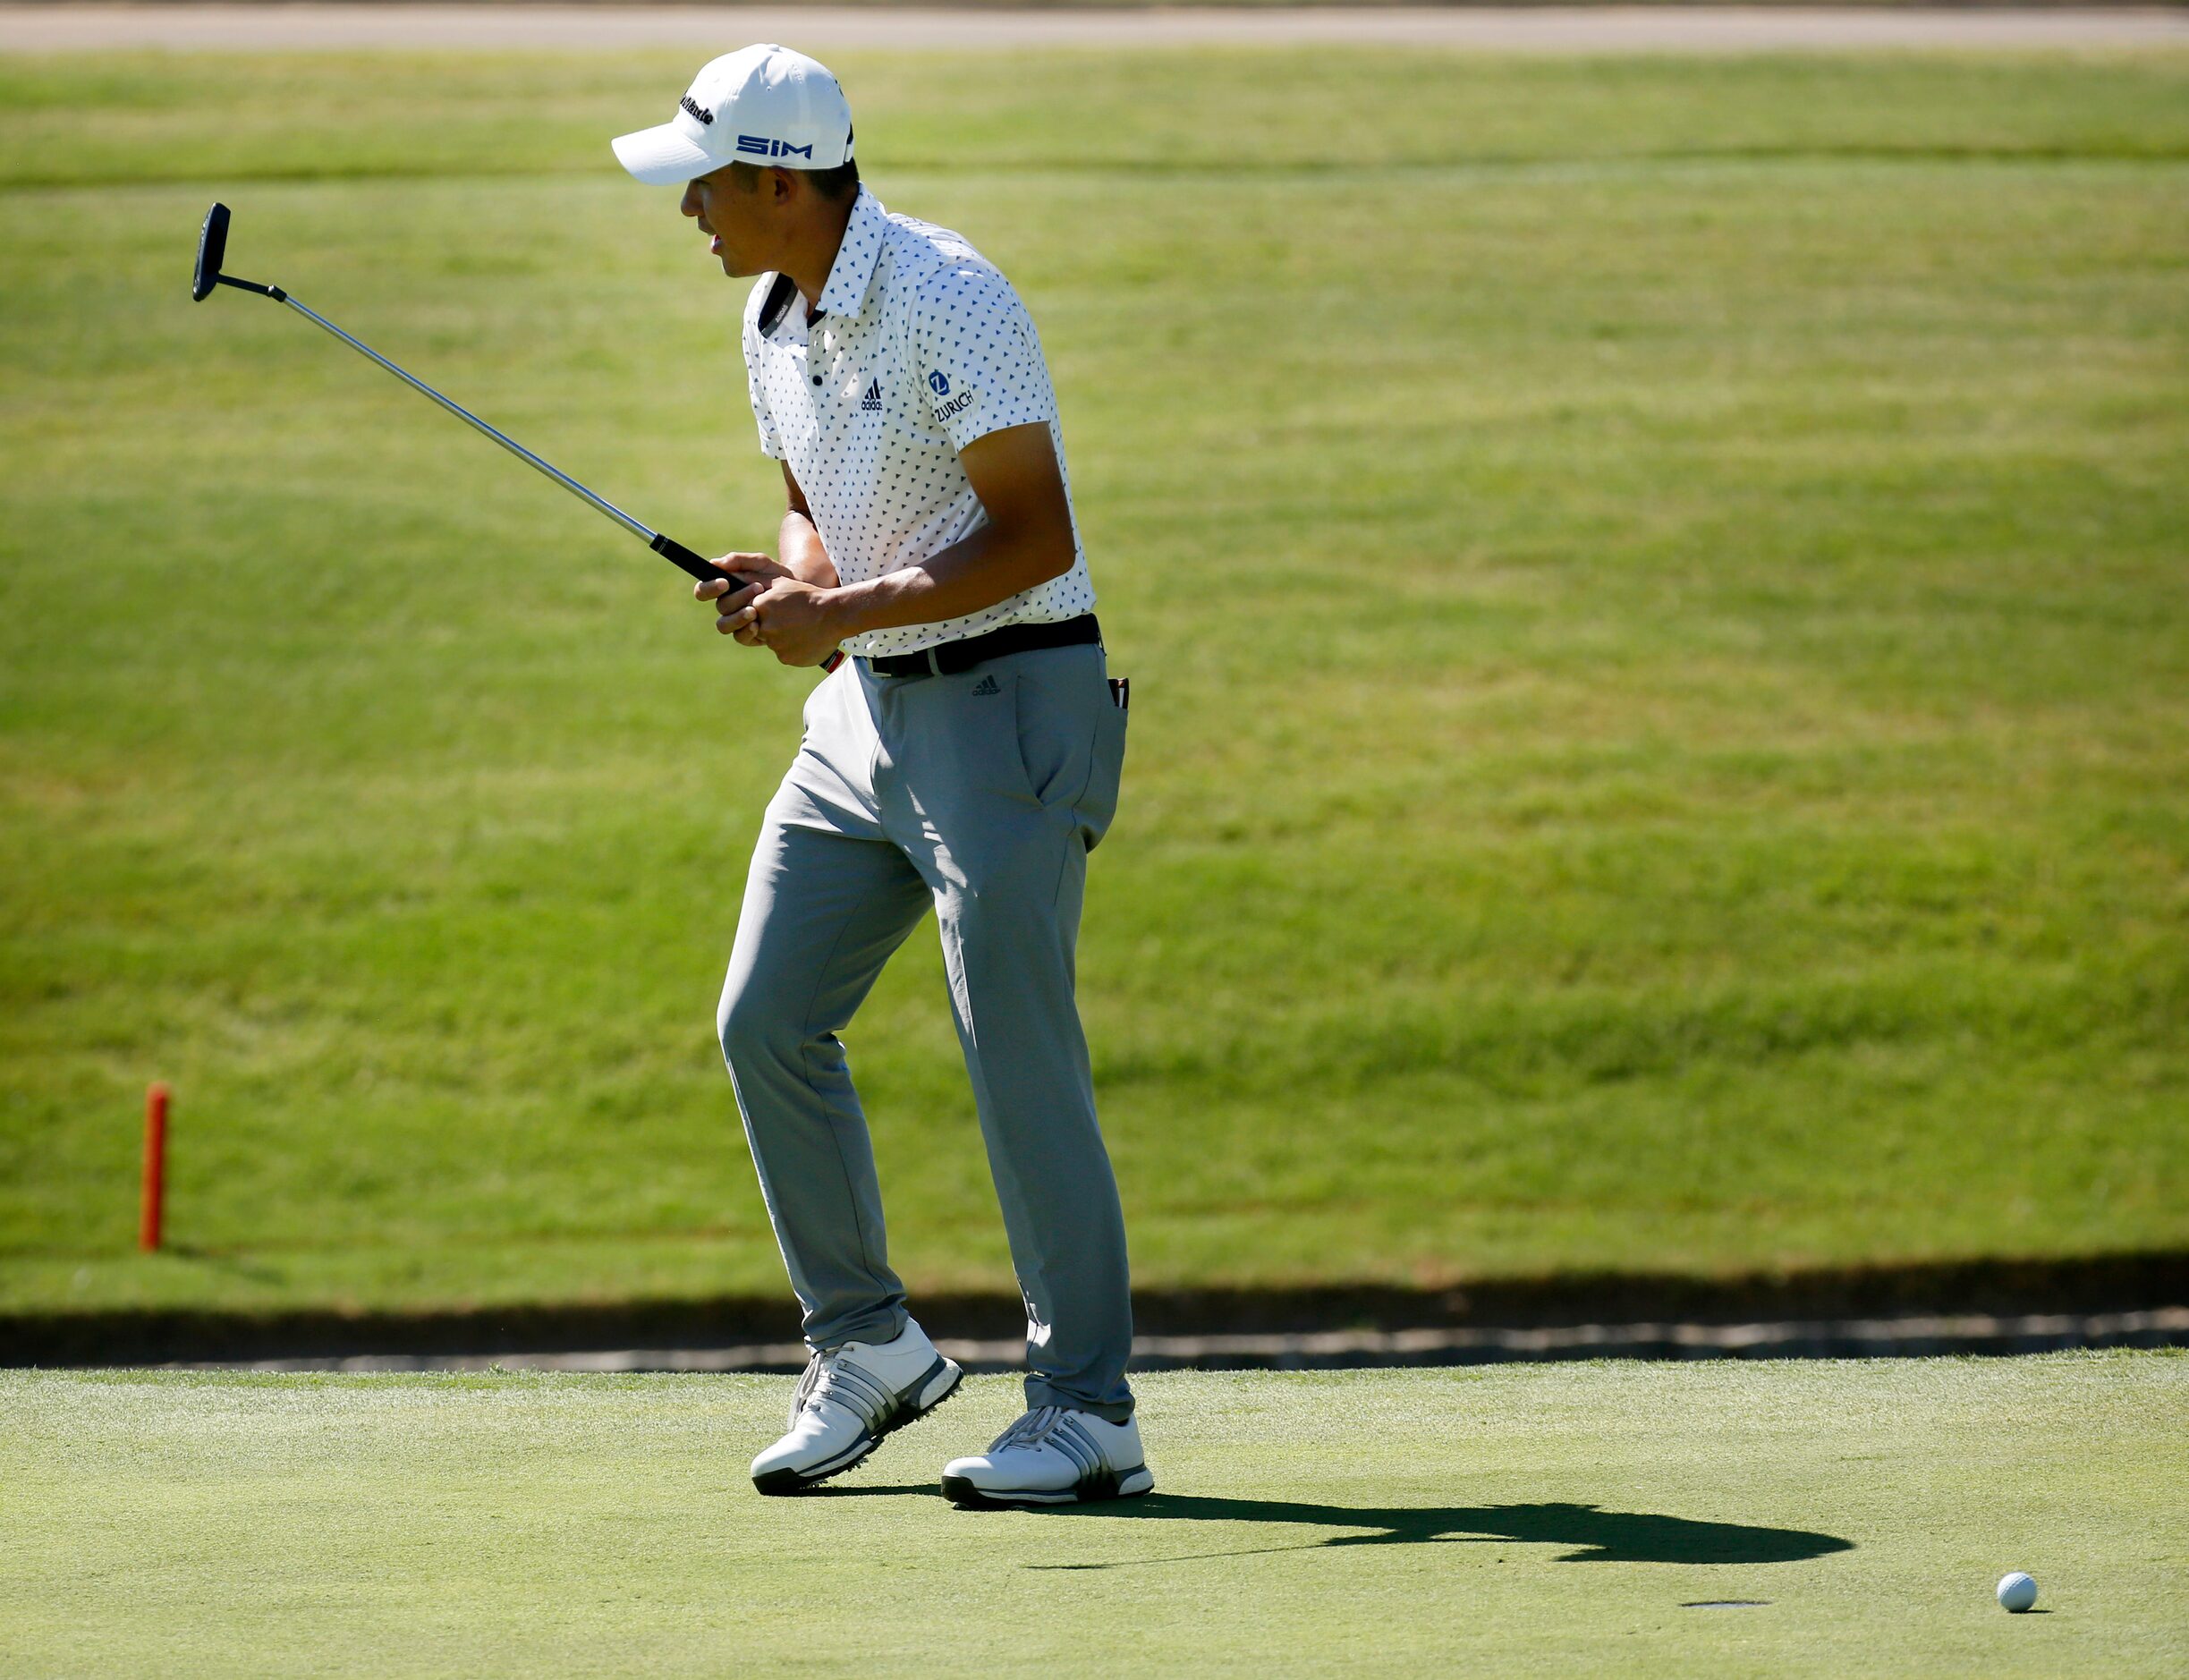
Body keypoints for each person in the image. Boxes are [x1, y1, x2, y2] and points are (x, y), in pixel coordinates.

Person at [613, 45, 1148, 1508]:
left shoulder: (948, 291)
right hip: (867, 717)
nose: (692, 213)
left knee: (1017, 1059)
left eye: (707, 184)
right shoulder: (770, 316)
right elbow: (812, 511)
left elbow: (1035, 534)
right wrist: (790, 585)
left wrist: (837, 614)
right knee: (765, 1017)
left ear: (783, 181)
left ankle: (1090, 1411)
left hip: (1012, 706)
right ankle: (870, 1347)